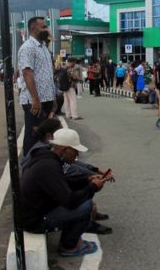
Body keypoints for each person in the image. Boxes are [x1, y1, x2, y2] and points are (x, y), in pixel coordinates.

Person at [21, 128, 107, 257]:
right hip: (35, 222)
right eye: (75, 151)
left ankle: (69, 240)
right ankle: (69, 247)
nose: (77, 155)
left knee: (82, 197)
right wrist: (93, 187)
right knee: (86, 205)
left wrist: (87, 179)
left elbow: (63, 182)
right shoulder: (50, 166)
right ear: (64, 149)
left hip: (36, 211)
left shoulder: (47, 158)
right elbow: (69, 201)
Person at [17, 17, 57, 156]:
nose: (47, 30)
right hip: (34, 101)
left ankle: (41, 164)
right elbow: (27, 73)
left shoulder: (44, 48)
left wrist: (53, 98)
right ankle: (28, 165)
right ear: (33, 29)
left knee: (45, 136)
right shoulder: (28, 47)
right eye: (43, 27)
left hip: (46, 99)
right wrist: (35, 99)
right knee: (33, 135)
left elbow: (48, 74)